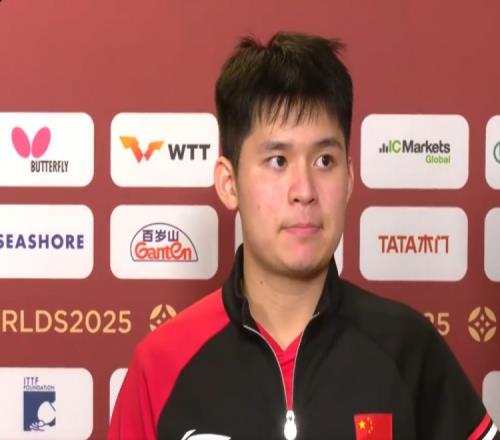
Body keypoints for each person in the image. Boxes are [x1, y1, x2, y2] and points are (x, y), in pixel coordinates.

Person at [108, 32, 498, 440]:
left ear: (349, 178)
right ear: (229, 183)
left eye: (324, 160)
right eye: (278, 161)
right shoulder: (161, 365)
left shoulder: (410, 351)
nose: (305, 190)